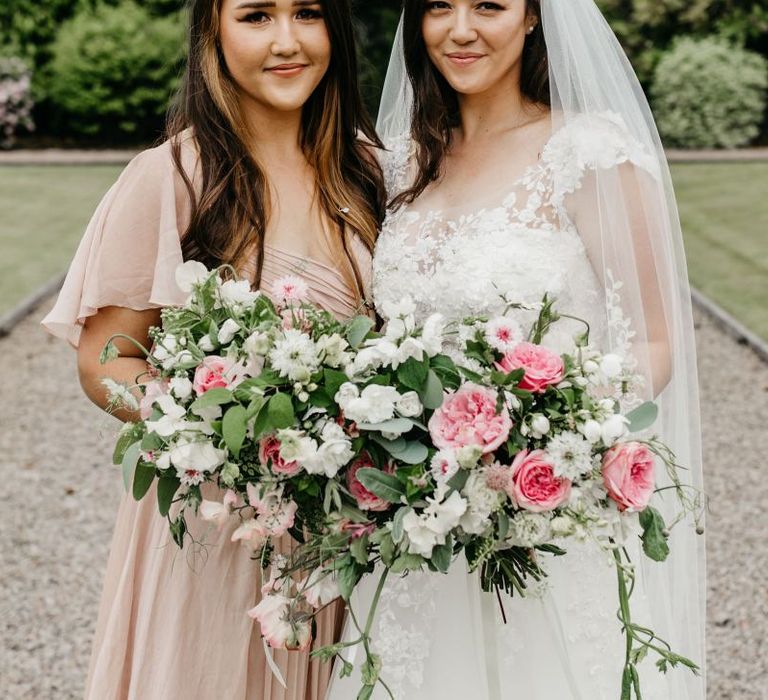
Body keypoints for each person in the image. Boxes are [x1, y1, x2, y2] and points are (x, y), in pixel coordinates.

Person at [328, 1, 705, 698]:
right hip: (418, 526)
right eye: (439, 6)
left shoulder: (587, 153)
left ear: (535, 17)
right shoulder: (402, 161)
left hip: (541, 519)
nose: (460, 29)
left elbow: (653, 338)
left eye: (489, 6)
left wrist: (553, 442)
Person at [41, 1, 385, 698]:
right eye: (256, 15)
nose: (286, 41)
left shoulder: (370, 169)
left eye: (308, 13)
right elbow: (105, 359)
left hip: (347, 533)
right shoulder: (172, 176)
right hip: (218, 528)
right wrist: (224, 432)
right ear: (213, 33)